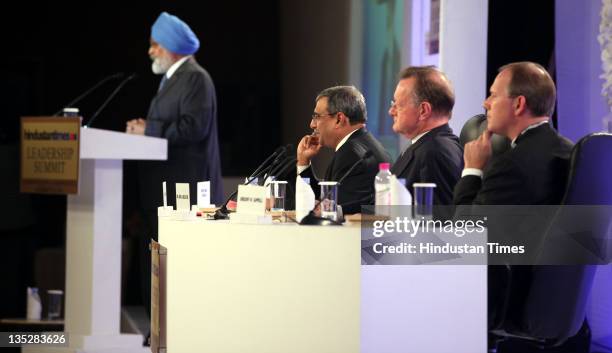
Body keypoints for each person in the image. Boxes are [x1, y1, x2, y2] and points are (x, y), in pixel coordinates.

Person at [452, 62, 587, 353]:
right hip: (559, 307)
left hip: (512, 304)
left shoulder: (513, 165)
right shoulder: (567, 151)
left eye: (493, 95)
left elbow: (464, 234)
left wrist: (472, 170)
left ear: (518, 104)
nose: (485, 103)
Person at [125, 11, 223, 342]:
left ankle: (179, 335)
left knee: (179, 266)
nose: (150, 51)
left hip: (185, 191)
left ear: (171, 46)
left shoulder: (195, 78)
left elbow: (192, 128)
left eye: (155, 44)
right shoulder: (170, 79)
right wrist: (144, 130)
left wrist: (147, 129)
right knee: (157, 263)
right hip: (160, 190)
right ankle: (159, 333)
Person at [297, 85, 391, 215]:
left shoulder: (351, 153)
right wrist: (303, 162)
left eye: (317, 116)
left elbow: (334, 212)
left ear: (339, 119)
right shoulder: (366, 144)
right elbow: (327, 198)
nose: (312, 124)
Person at [389, 66, 463, 205]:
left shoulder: (435, 151)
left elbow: (437, 221)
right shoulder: (424, 145)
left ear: (423, 110)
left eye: (398, 105)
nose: (391, 111)